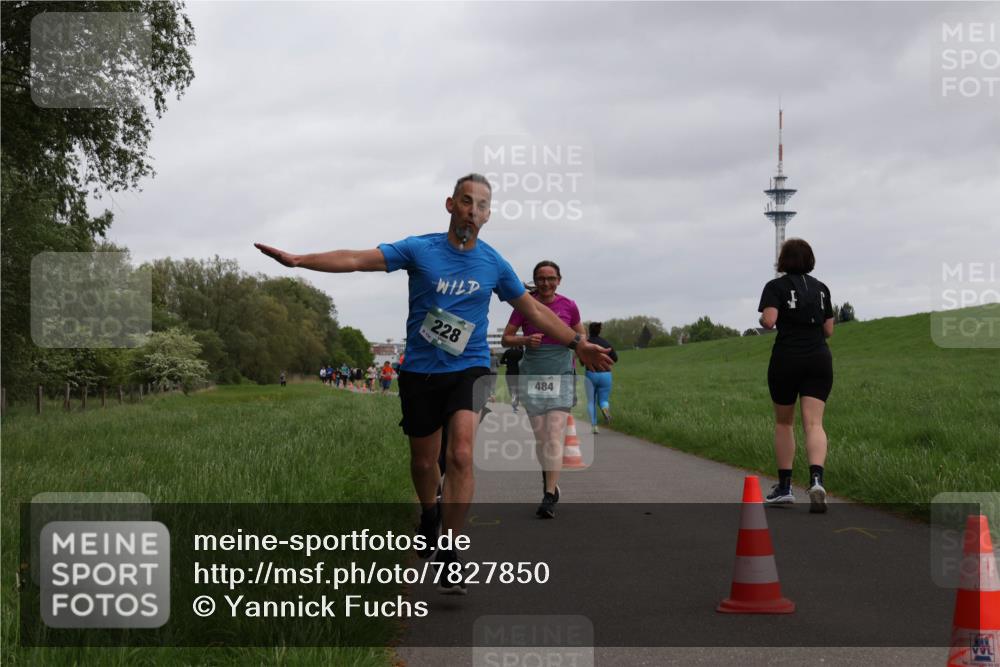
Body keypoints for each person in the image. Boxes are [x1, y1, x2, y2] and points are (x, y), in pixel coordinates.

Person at [255, 173, 612, 594]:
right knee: (425, 464)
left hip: (471, 367)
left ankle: (450, 551)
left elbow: (532, 310)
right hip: (421, 371)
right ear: (450, 205)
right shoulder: (419, 249)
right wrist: (300, 261)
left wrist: (578, 342)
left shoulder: (494, 263)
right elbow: (355, 259)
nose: (472, 211)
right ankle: (429, 513)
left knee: (460, 454)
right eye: (465, 202)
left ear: (488, 215)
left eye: (481, 206)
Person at [501, 260, 585, 519]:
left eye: (551, 278)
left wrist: (586, 353)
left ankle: (549, 495)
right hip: (533, 375)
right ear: (535, 281)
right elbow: (506, 338)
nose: (546, 283)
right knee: (541, 438)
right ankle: (549, 476)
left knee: (554, 434)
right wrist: (525, 340)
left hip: (561, 373)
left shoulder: (569, 305)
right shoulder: (524, 304)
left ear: (559, 280)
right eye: (540, 279)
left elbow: (582, 338)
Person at [757, 238, 834, 514]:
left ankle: (786, 487)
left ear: (783, 261)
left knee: (784, 423)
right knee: (814, 423)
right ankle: (816, 480)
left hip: (787, 357)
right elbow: (828, 330)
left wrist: (762, 320)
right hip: (819, 358)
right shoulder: (821, 289)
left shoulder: (775, 287)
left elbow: (769, 321)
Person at [583, 322, 618, 434]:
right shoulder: (606, 342)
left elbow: (582, 359)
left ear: (589, 331)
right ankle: (604, 409)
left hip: (591, 374)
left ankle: (594, 426)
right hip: (605, 374)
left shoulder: (586, 343)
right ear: (600, 330)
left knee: (591, 401)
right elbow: (615, 358)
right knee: (603, 400)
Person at [499, 344, 524, 412]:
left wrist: (508, 362)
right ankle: (517, 402)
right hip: (518, 372)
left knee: (511, 387)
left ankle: (513, 402)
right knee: (517, 387)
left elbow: (501, 361)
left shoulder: (507, 351)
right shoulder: (520, 352)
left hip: (509, 371)